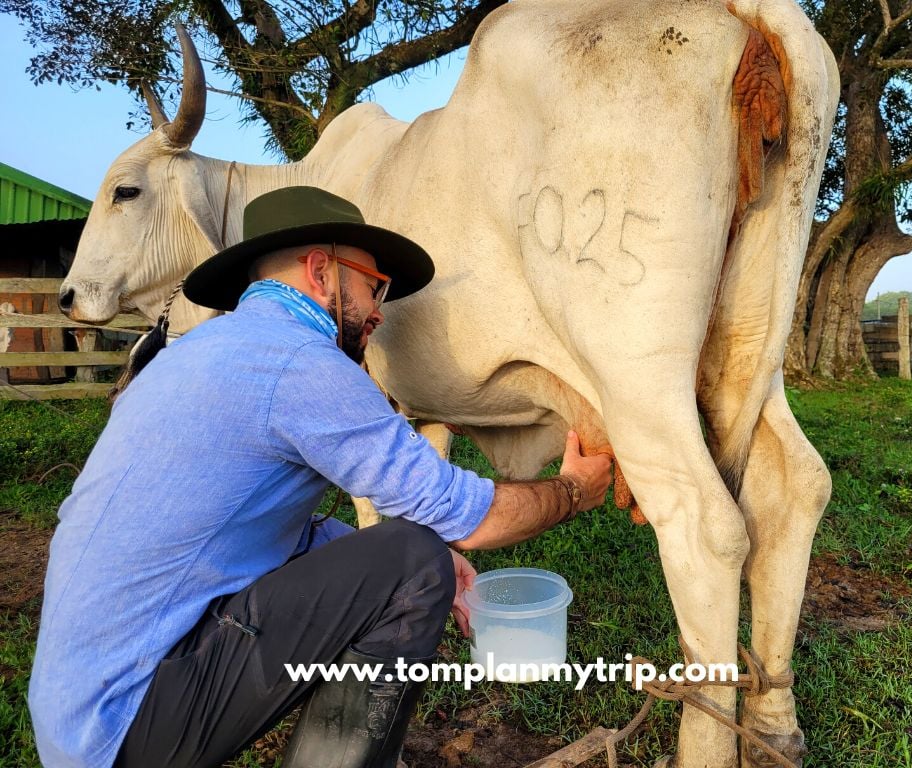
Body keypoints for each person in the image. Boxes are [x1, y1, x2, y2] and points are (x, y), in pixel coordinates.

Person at [29, 186, 613, 768]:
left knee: (418, 553)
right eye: (373, 286)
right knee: (414, 559)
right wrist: (573, 491)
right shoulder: (299, 362)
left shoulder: (201, 351)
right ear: (320, 272)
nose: (380, 310)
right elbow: (472, 516)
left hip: (78, 713)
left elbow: (253, 526)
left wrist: (419, 554)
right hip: (124, 727)